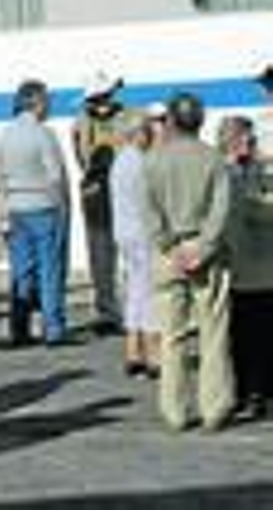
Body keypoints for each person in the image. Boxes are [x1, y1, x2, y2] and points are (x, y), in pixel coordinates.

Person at [145, 91, 235, 431]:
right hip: (205, 248)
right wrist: (204, 247)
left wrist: (169, 246)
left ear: (169, 120)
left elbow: (148, 211)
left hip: (169, 252)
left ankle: (175, 411)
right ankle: (214, 407)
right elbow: (221, 209)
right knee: (214, 332)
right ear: (200, 120)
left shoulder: (152, 160)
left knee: (172, 335)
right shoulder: (213, 160)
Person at [0, 79, 72, 347]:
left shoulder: (5, 134)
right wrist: (62, 203)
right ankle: (53, 328)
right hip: (43, 206)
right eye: (46, 100)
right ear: (35, 102)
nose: (49, 105)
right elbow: (55, 175)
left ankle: (19, 327)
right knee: (49, 269)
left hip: (15, 208)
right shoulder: (43, 134)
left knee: (21, 271)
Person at [220, 114, 273, 419]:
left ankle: (260, 391)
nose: (251, 145)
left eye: (252, 140)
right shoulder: (221, 171)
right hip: (238, 267)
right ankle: (245, 391)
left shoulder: (260, 169)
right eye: (246, 139)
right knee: (242, 336)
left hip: (264, 267)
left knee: (263, 334)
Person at [73, 72, 126, 334]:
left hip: (122, 187)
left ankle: (135, 310)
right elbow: (81, 156)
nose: (109, 100)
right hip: (96, 187)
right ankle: (106, 311)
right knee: (100, 252)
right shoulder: (82, 121)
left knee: (132, 250)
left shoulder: (126, 116)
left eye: (110, 94)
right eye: (104, 95)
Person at [110, 109, 161, 378]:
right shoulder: (139, 162)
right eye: (147, 129)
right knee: (150, 292)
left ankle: (133, 351)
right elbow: (148, 203)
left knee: (135, 290)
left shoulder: (121, 161)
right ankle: (153, 353)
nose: (151, 133)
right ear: (137, 133)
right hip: (142, 232)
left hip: (125, 232)